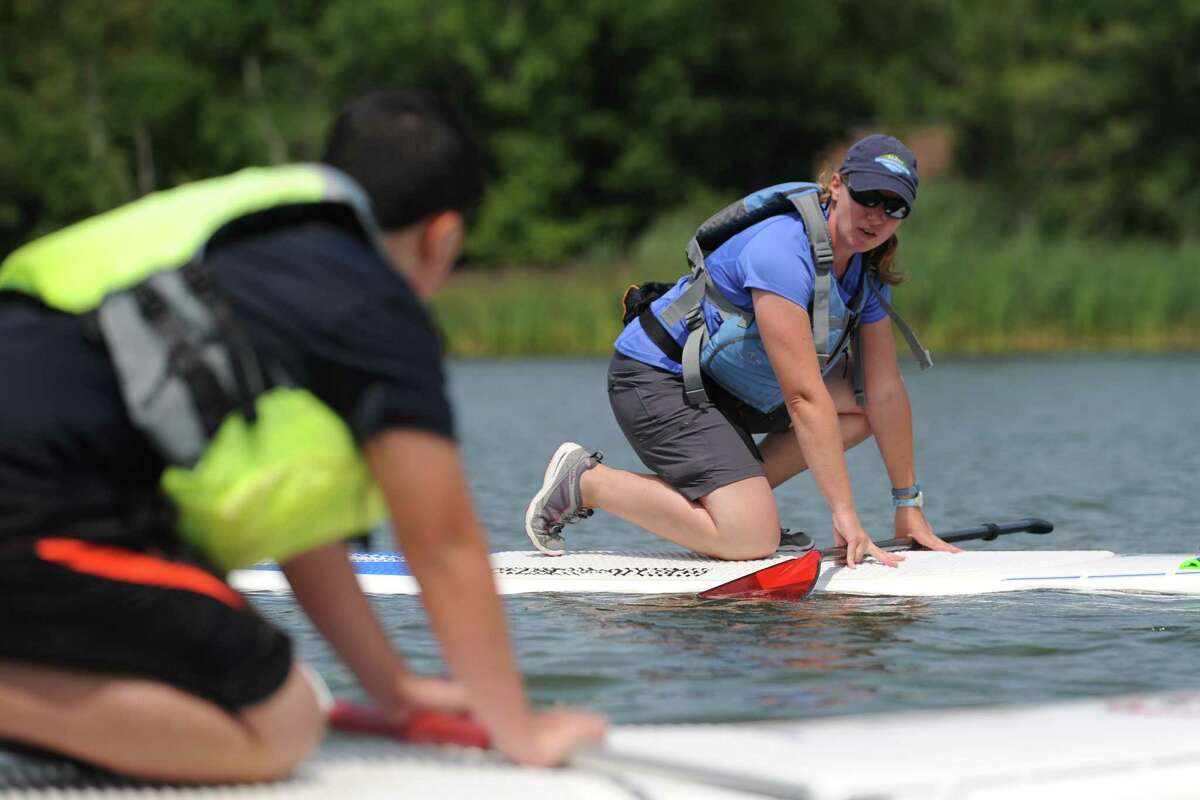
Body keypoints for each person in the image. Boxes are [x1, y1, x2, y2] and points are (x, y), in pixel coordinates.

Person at [0, 89, 603, 782]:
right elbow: (441, 543)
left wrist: (396, 690)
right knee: (280, 721)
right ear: (442, 236)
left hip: (46, 495)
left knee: (221, 687)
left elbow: (295, 523)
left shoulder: (248, 240)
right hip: (32, 514)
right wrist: (520, 732)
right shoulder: (376, 307)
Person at [525, 135, 961, 567]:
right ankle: (587, 482)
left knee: (863, 403)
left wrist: (909, 507)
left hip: (728, 387)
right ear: (837, 186)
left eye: (895, 207)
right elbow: (804, 397)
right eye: (868, 197)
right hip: (657, 379)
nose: (877, 217)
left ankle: (731, 508)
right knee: (751, 538)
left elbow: (884, 390)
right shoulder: (783, 251)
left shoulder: (868, 270)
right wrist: (845, 515)